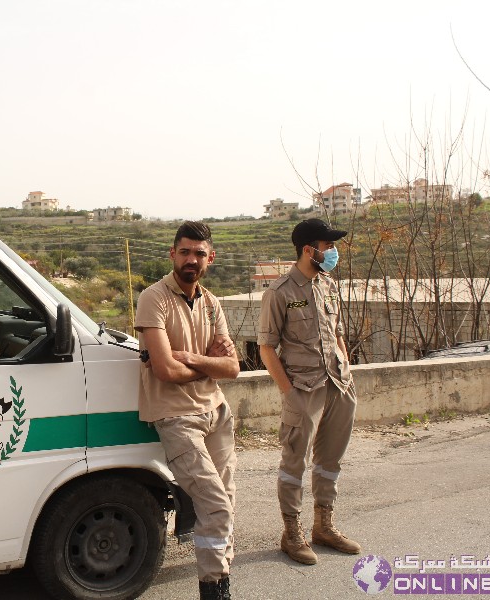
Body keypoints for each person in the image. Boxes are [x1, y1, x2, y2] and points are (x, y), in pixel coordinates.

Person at [135, 221, 240, 600]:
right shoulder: (154, 298)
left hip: (216, 412)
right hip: (176, 417)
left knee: (226, 502)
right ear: (172, 254)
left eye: (199, 253)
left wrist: (190, 358)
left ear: (210, 259)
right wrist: (207, 364)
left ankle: (221, 577)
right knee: (216, 506)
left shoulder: (211, 304)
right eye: (185, 252)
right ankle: (214, 590)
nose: (191, 259)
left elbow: (232, 368)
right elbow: (164, 370)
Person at [257, 218, 361, 566]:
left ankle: (324, 526)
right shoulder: (280, 292)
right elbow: (267, 348)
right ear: (308, 250)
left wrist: (346, 369)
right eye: (327, 245)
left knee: (330, 460)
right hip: (303, 389)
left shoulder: (328, 286)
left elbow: (339, 331)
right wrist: (289, 393)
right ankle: (292, 533)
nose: (332, 252)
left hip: (338, 384)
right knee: (294, 465)